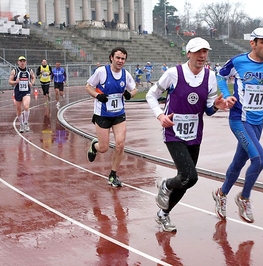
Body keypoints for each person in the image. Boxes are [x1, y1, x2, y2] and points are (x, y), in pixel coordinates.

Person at [146, 37, 229, 232]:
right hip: (173, 131)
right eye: (198, 52)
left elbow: (208, 110)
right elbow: (151, 94)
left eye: (205, 52)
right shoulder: (173, 74)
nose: (202, 56)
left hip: (194, 134)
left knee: (185, 180)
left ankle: (163, 214)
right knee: (190, 177)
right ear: (188, 53)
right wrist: (160, 115)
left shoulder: (210, 77)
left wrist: (216, 106)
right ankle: (165, 185)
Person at [212, 27, 263, 223]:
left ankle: (221, 194)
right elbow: (221, 75)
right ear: (253, 43)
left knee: (239, 162)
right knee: (259, 159)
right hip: (239, 119)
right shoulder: (238, 61)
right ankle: (244, 198)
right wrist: (227, 94)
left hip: (258, 121)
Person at [85, 47, 138, 187]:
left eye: (123, 59)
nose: (120, 61)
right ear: (111, 58)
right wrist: (98, 95)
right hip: (102, 114)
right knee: (104, 148)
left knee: (120, 144)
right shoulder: (102, 72)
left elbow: (134, 89)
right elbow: (88, 86)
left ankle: (113, 175)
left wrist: (129, 94)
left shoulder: (125, 74)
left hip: (119, 114)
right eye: (118, 58)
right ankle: (94, 146)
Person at [9, 56, 36, 133]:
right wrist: (15, 82)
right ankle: (21, 124)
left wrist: (32, 83)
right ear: (18, 62)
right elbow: (10, 81)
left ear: (26, 62)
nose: (22, 62)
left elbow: (33, 77)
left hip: (26, 91)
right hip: (18, 92)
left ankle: (26, 122)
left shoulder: (29, 70)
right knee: (19, 110)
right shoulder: (14, 71)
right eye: (21, 61)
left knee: (26, 106)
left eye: (23, 61)